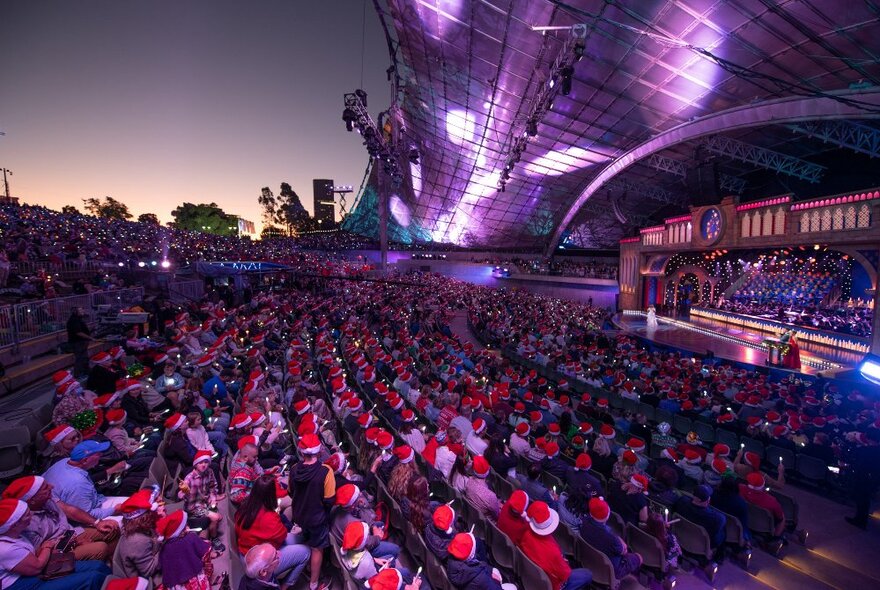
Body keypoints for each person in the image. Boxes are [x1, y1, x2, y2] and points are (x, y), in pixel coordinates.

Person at [0, 498, 110, 590]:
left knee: (98, 566)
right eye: (26, 515)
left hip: (35, 573)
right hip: (23, 584)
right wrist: (47, 547)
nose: (31, 516)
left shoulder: (17, 535)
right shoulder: (6, 548)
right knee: (92, 578)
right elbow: (36, 567)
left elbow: (33, 553)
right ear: (14, 525)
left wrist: (55, 544)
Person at [3, 475, 119, 562]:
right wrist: (75, 543)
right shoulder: (25, 522)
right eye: (45, 488)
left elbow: (70, 510)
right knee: (100, 548)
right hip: (58, 550)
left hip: (71, 534)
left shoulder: (47, 498)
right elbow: (41, 551)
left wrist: (97, 522)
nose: (51, 487)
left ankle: (112, 563)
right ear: (32, 499)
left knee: (112, 527)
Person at [234, 475, 309, 590]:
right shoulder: (269, 517)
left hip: (246, 554)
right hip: (260, 562)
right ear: (271, 495)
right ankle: (285, 586)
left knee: (298, 539)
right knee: (305, 551)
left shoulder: (244, 506)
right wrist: (277, 515)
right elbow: (282, 535)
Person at [287, 434, 334, 590]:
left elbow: (290, 492)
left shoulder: (293, 469)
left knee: (307, 540)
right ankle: (314, 583)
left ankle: (307, 568)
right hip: (317, 519)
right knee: (317, 548)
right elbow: (329, 500)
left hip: (299, 515)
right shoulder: (326, 471)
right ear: (318, 451)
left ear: (302, 452)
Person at [42, 440, 127, 520]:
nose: (101, 455)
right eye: (98, 454)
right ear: (85, 460)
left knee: (131, 503)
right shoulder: (77, 483)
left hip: (95, 501)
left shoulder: (65, 461)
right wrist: (114, 510)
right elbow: (87, 515)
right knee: (132, 516)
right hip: (85, 517)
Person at [517, 501, 592, 590]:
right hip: (554, 584)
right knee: (587, 574)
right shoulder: (553, 552)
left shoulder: (525, 533)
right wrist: (562, 562)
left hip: (533, 577)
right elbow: (565, 575)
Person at [579, 497, 642, 579]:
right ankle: (631, 582)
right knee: (639, 557)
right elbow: (623, 551)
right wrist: (620, 541)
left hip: (591, 561)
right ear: (608, 516)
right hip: (612, 570)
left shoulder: (584, 522)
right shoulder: (610, 538)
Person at [112, 487, 165, 586]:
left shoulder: (141, 528)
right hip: (152, 581)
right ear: (145, 517)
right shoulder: (137, 541)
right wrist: (165, 543)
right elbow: (149, 571)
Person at [156, 510, 213, 590]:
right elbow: (205, 552)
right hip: (194, 577)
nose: (188, 527)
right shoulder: (190, 538)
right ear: (180, 530)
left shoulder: (164, 548)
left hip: (176, 584)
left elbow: (161, 565)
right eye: (186, 525)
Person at [177, 451, 223, 547]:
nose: (204, 465)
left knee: (219, 517)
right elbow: (180, 496)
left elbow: (212, 487)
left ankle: (211, 535)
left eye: (206, 462)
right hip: (194, 509)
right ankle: (214, 539)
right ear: (195, 464)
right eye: (200, 463)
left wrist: (213, 498)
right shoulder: (189, 478)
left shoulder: (209, 472)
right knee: (216, 518)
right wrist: (184, 491)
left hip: (205, 503)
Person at [446, 532, 516, 590]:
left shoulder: (450, 560)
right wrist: (495, 581)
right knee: (513, 587)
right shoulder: (480, 577)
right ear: (471, 554)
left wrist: (489, 571)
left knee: (494, 570)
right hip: (483, 583)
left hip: (474, 584)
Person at [846, 429, 880, 529]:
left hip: (863, 478)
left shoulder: (867, 451)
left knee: (861, 499)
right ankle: (861, 519)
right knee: (865, 500)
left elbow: (860, 465)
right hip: (873, 479)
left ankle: (859, 520)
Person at [673, 485, 727, 550]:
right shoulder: (718, 518)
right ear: (708, 500)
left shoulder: (681, 501)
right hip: (701, 547)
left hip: (681, 537)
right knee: (723, 532)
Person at [67, 307, 95, 378]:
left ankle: (86, 371)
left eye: (82, 309)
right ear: (75, 312)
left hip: (82, 342)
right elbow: (78, 332)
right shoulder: (74, 320)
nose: (83, 311)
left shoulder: (79, 319)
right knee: (79, 359)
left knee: (84, 358)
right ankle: (78, 374)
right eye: (80, 310)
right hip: (78, 342)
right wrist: (90, 338)